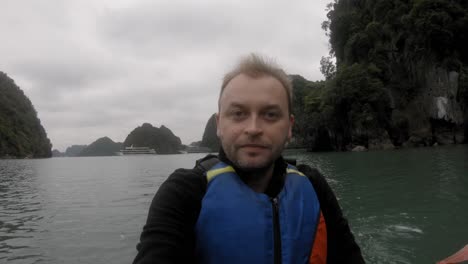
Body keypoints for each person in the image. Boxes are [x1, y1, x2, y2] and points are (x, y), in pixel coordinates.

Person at [133, 54, 364, 264]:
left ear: (290, 127)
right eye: (238, 114)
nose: (253, 128)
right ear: (219, 124)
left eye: (270, 115)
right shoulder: (186, 192)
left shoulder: (313, 187)